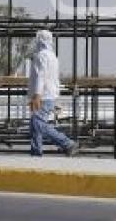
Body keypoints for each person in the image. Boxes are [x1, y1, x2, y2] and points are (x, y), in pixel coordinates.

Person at [28, 29, 79, 157]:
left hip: (43, 96)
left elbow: (41, 75)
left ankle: (67, 143)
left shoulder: (41, 56)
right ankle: (36, 152)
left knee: (38, 123)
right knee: (35, 125)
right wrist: (56, 97)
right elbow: (55, 79)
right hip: (49, 95)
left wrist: (37, 95)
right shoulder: (53, 57)